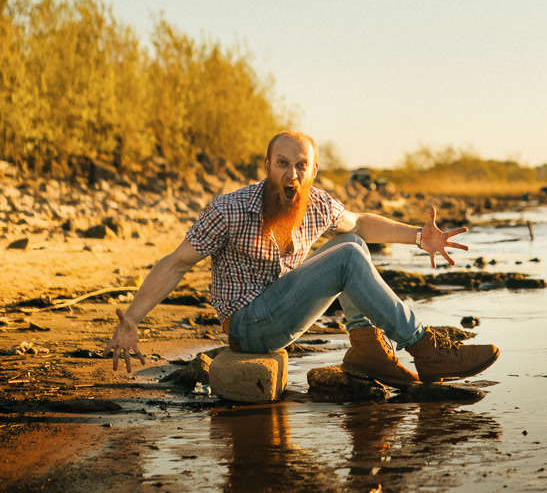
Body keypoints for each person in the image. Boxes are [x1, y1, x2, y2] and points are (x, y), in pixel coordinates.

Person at [103, 130, 499, 386]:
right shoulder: (231, 209)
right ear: (267, 165)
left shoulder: (315, 203)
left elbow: (360, 222)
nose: (291, 174)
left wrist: (417, 236)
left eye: (300, 165)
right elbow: (176, 262)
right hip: (246, 326)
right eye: (282, 164)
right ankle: (424, 347)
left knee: (354, 245)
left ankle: (367, 349)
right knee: (346, 257)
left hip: (284, 312)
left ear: (312, 170)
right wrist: (132, 319)